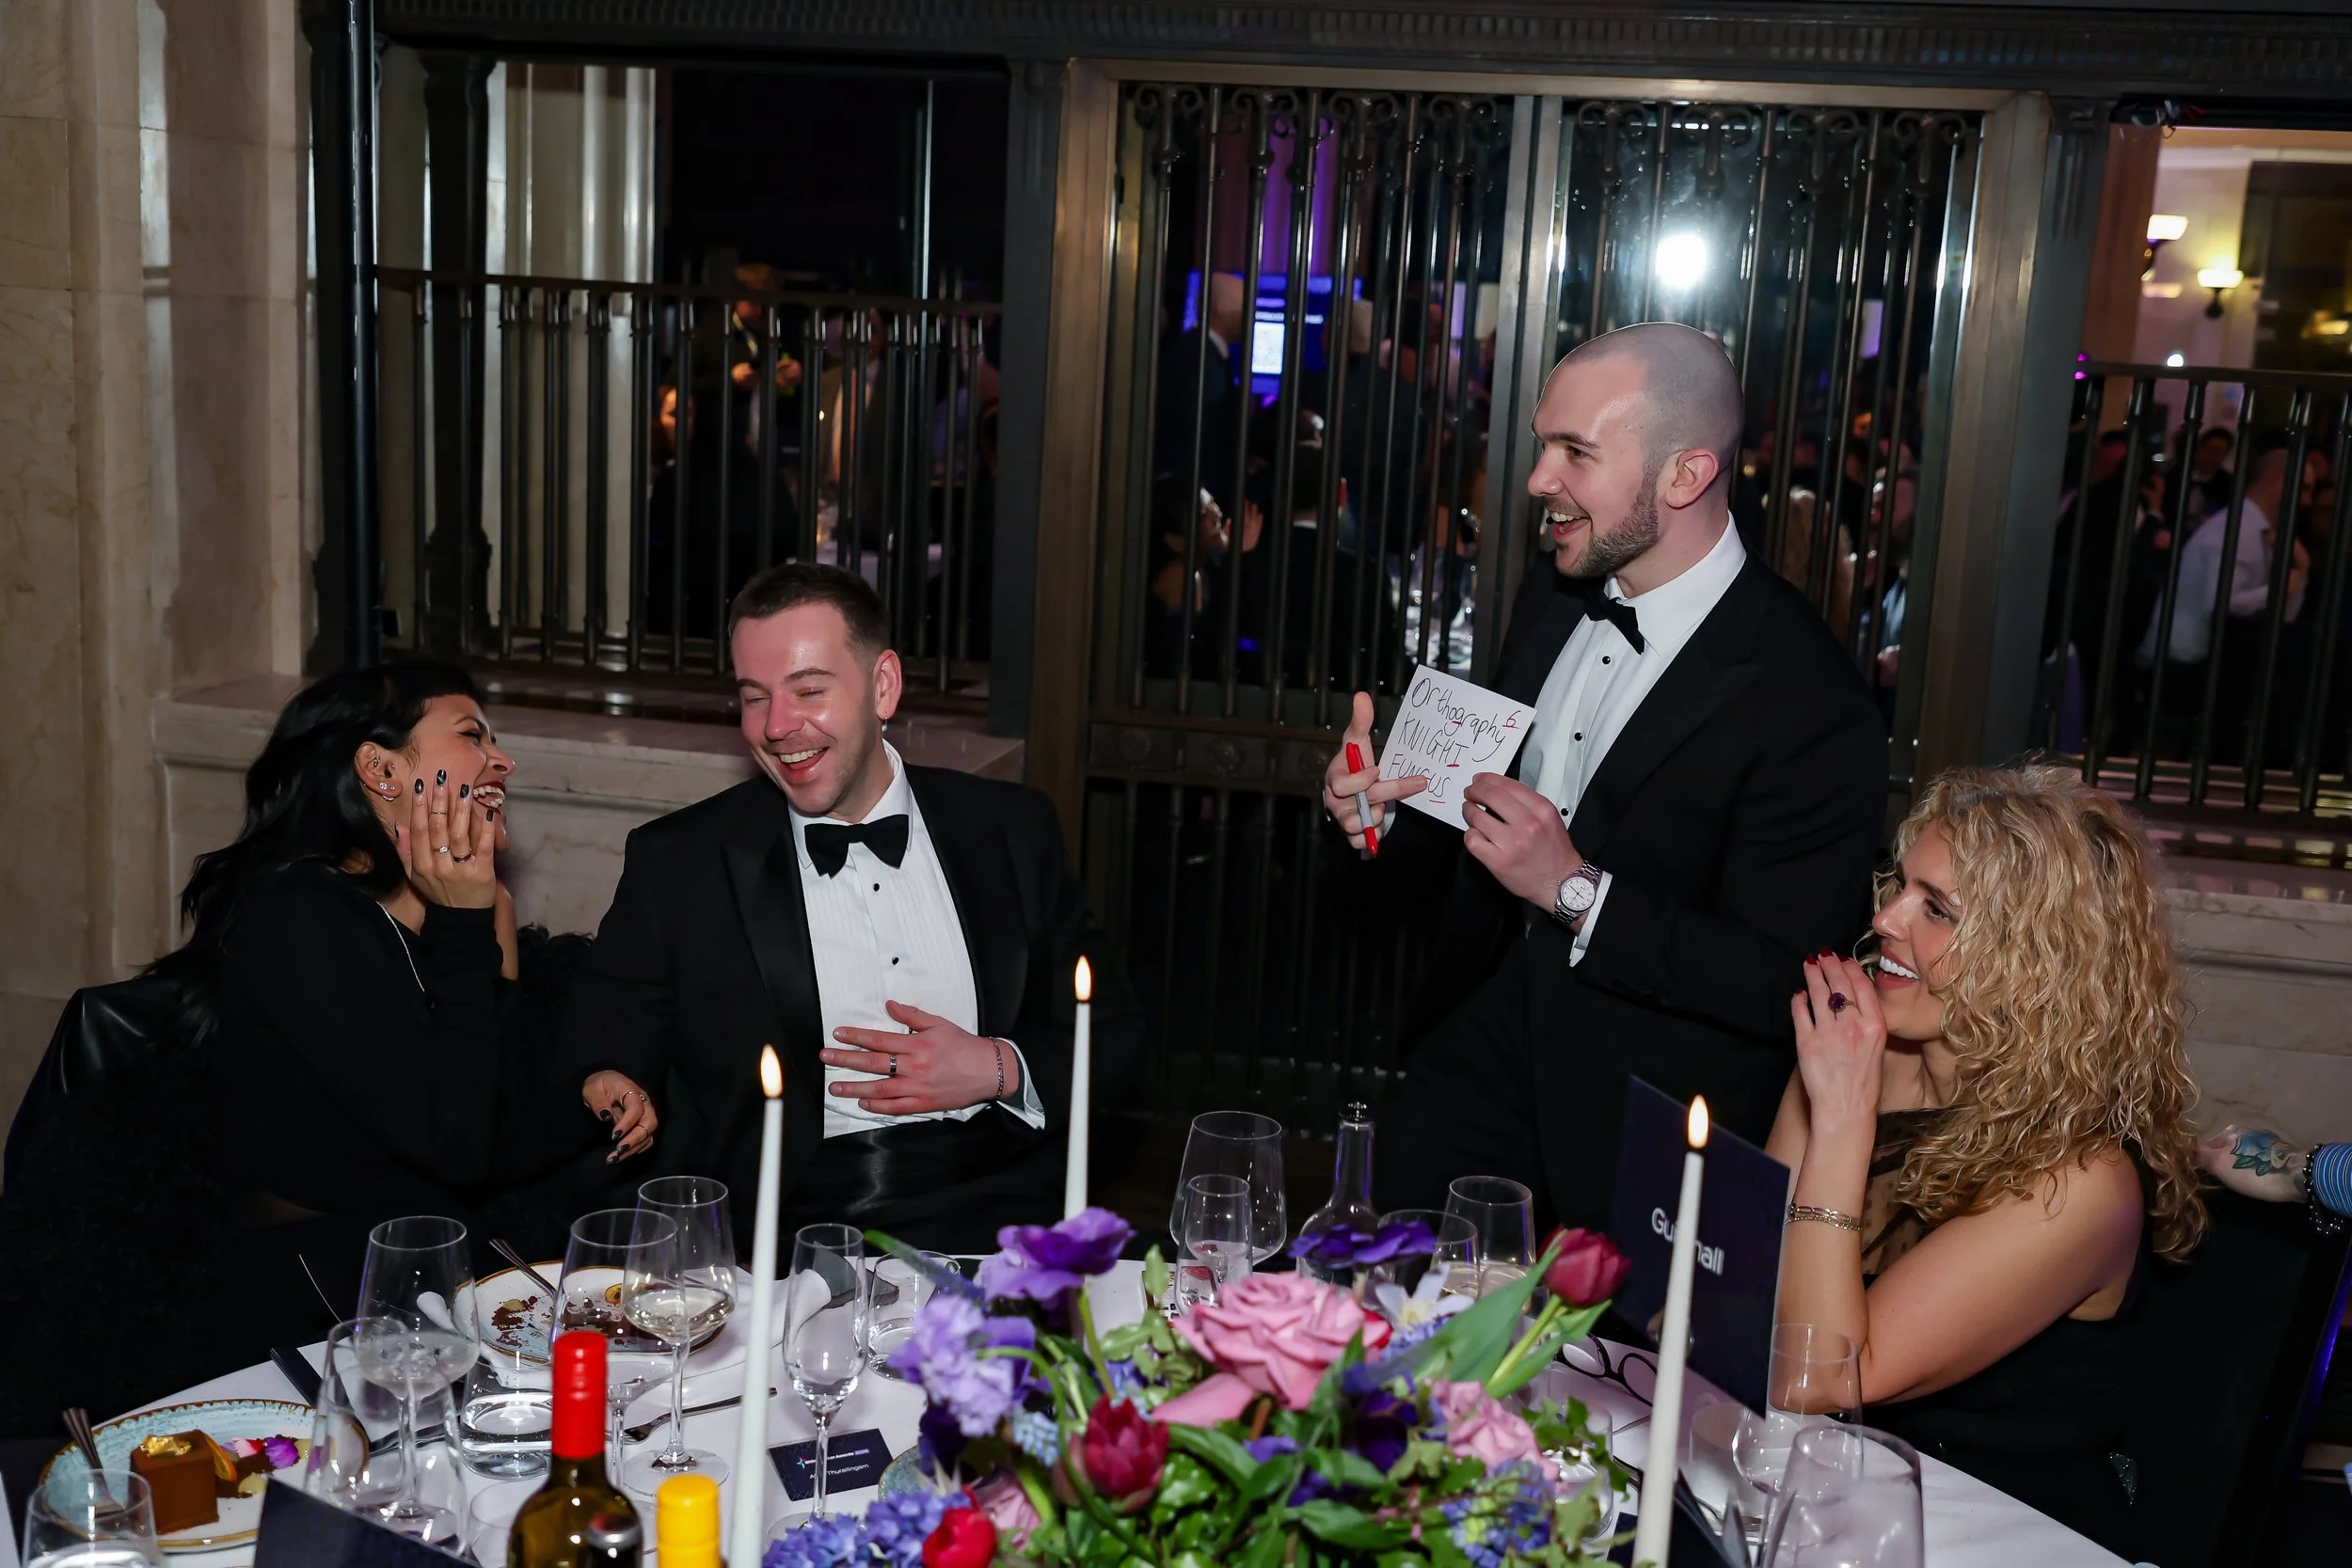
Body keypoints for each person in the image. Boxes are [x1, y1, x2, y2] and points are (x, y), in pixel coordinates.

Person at [1338, 322, 1886, 1230]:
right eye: (1542, 445)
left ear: (1686, 474)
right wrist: (1386, 810)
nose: (1537, 481)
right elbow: (1482, 814)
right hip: (1469, 1065)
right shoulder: (1551, 594)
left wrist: (1576, 890)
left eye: (1575, 453)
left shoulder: (1812, 702)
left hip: (1639, 1138)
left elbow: (1782, 975)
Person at [562, 562, 1137, 1253]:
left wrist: (997, 1066)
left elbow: (1115, 1032)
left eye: (808, 689)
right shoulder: (680, 861)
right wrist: (615, 1079)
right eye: (753, 696)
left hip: (1005, 1212)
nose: (777, 725)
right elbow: (603, 1036)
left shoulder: (1011, 829)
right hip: (791, 1232)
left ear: (883, 685)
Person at [1772, 768, 2206, 1550]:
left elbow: (1822, 1375)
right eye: (1902, 886)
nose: (1885, 916)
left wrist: (1839, 1119)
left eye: (1936, 908)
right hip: (1834, 1492)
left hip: (1997, 1529)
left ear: (2033, 960)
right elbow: (1751, 1274)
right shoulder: (1875, 1048)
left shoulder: (2083, 1182)